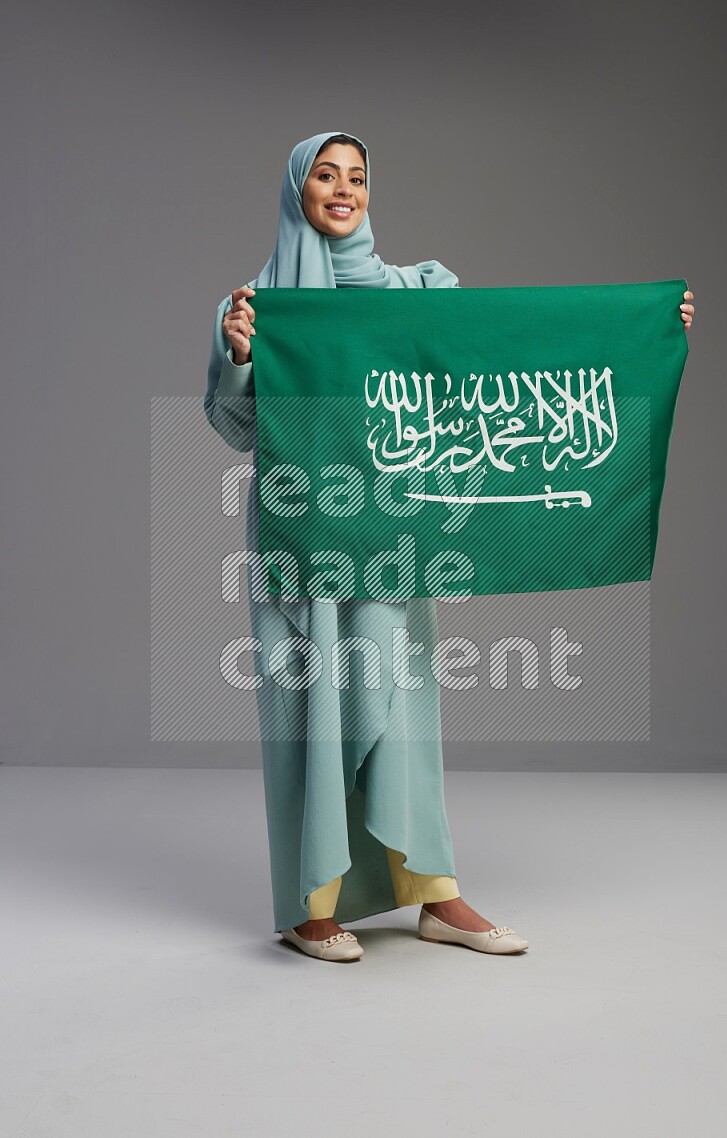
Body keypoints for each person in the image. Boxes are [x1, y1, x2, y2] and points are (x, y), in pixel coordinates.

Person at [204, 131, 695, 964]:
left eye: (358, 177)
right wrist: (240, 357)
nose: (343, 189)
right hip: (309, 527)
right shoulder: (258, 305)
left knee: (403, 702)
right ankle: (308, 904)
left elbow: (506, 358)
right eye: (325, 175)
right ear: (297, 190)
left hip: (395, 528)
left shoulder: (415, 293)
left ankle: (432, 892)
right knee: (309, 711)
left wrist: (645, 327)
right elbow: (237, 429)